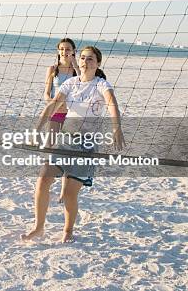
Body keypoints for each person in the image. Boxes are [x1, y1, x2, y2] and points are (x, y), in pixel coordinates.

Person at [22, 46, 124, 243]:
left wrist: (116, 128)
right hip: (64, 141)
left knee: (69, 194)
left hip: (85, 146)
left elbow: (112, 102)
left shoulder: (101, 84)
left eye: (90, 59)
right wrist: (36, 129)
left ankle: (68, 231)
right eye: (83, 58)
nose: (85, 62)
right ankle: (39, 227)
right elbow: (52, 104)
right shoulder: (70, 83)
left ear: (98, 63)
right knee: (43, 181)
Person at [42, 38, 79, 202]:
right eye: (62, 49)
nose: (65, 52)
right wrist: (53, 104)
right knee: (50, 150)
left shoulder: (76, 70)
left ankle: (64, 192)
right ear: (58, 51)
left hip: (72, 115)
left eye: (68, 49)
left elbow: (84, 83)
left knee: (68, 152)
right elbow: (45, 93)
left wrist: (76, 65)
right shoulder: (52, 69)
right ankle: (45, 185)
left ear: (73, 51)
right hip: (55, 114)